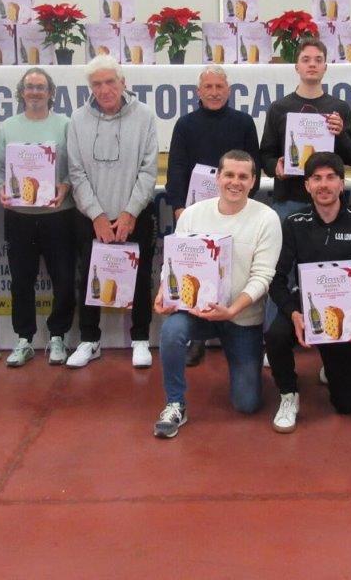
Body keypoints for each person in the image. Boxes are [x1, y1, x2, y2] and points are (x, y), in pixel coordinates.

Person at [153, 150, 282, 439]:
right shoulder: (193, 214)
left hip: (242, 318)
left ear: (253, 181)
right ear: (218, 177)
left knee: (247, 404)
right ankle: (175, 403)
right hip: (197, 312)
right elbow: (173, 263)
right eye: (229, 175)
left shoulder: (267, 219)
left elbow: (263, 277)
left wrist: (232, 310)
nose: (235, 182)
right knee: (172, 330)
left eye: (243, 176)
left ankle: (249, 365)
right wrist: (164, 291)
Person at [265, 152, 351, 433]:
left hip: (346, 312)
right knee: (276, 335)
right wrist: (294, 313)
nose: (323, 185)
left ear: (342, 183)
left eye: (330, 178)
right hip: (307, 306)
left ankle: (332, 364)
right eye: (316, 178)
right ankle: (288, 394)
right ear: (307, 185)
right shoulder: (294, 223)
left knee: (346, 404)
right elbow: (277, 279)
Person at [66, 55, 158, 369]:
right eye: (97, 84)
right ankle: (89, 340)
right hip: (92, 218)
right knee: (88, 278)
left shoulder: (144, 116)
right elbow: (76, 172)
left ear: (123, 83)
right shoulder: (77, 119)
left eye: (110, 82)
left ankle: (140, 339)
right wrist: (97, 215)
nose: (104, 89)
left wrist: (130, 213)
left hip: (135, 215)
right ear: (90, 88)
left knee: (140, 277)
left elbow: (148, 170)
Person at [165, 65, 261, 366]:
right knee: (196, 273)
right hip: (195, 214)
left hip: (235, 211)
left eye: (220, 87)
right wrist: (179, 208)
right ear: (199, 92)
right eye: (209, 87)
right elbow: (176, 167)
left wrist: (245, 207)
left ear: (228, 91)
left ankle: (233, 330)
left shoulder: (243, 123)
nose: (215, 92)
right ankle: (197, 337)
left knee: (233, 272)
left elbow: (254, 167)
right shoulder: (185, 124)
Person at [0, 68, 75, 368]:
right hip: (19, 217)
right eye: (30, 87)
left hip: (58, 215)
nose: (35, 92)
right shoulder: (9, 127)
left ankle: (58, 336)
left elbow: (76, 165)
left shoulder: (65, 125)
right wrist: (0, 188)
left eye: (41, 87)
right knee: (21, 279)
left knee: (64, 278)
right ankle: (24, 339)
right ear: (21, 92)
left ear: (51, 93)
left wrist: (65, 186)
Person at [258, 37, 351, 222]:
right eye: (306, 59)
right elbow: (265, 156)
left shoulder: (339, 108)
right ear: (296, 67)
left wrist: (341, 134)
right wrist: (276, 168)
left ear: (325, 67)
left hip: (330, 201)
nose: (312, 64)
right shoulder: (278, 108)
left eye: (318, 60)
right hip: (289, 200)